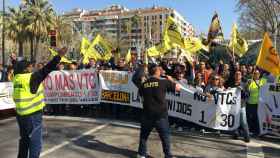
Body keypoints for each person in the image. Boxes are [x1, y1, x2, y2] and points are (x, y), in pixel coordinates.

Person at [12, 47, 67, 158]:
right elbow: (48, 68)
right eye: (30, 66)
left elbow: (17, 68)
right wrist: (59, 56)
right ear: (26, 69)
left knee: (24, 140)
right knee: (35, 142)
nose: (32, 67)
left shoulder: (16, 78)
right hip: (32, 116)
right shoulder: (32, 77)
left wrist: (14, 61)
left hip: (20, 115)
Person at [137, 64, 181, 158]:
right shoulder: (164, 82)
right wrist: (171, 80)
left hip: (147, 114)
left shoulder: (144, 84)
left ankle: (141, 154)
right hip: (160, 115)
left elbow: (141, 96)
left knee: (144, 136)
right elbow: (178, 88)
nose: (161, 71)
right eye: (159, 69)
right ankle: (168, 155)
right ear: (157, 71)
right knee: (165, 136)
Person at [230, 71, 250, 143]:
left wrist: (243, 90)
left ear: (241, 76)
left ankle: (247, 136)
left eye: (239, 74)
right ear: (234, 76)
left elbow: (248, 95)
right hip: (232, 106)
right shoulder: (231, 84)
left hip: (241, 105)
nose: (237, 75)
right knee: (234, 120)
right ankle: (235, 134)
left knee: (243, 121)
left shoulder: (244, 84)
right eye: (236, 74)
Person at [245, 69, 267, 137]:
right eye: (254, 73)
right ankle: (248, 131)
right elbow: (246, 90)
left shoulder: (263, 81)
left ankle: (258, 132)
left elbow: (267, 88)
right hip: (250, 102)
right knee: (248, 118)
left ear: (259, 74)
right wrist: (247, 84)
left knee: (257, 118)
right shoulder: (250, 81)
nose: (255, 75)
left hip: (259, 104)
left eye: (257, 73)